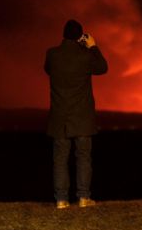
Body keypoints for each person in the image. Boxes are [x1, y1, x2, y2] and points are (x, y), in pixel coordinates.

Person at [45, 19, 108, 209]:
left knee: (60, 159)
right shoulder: (86, 56)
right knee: (83, 157)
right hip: (82, 118)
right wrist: (93, 47)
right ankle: (83, 198)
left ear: (63, 34)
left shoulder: (52, 54)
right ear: (81, 37)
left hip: (60, 118)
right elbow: (103, 68)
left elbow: (48, 69)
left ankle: (62, 200)